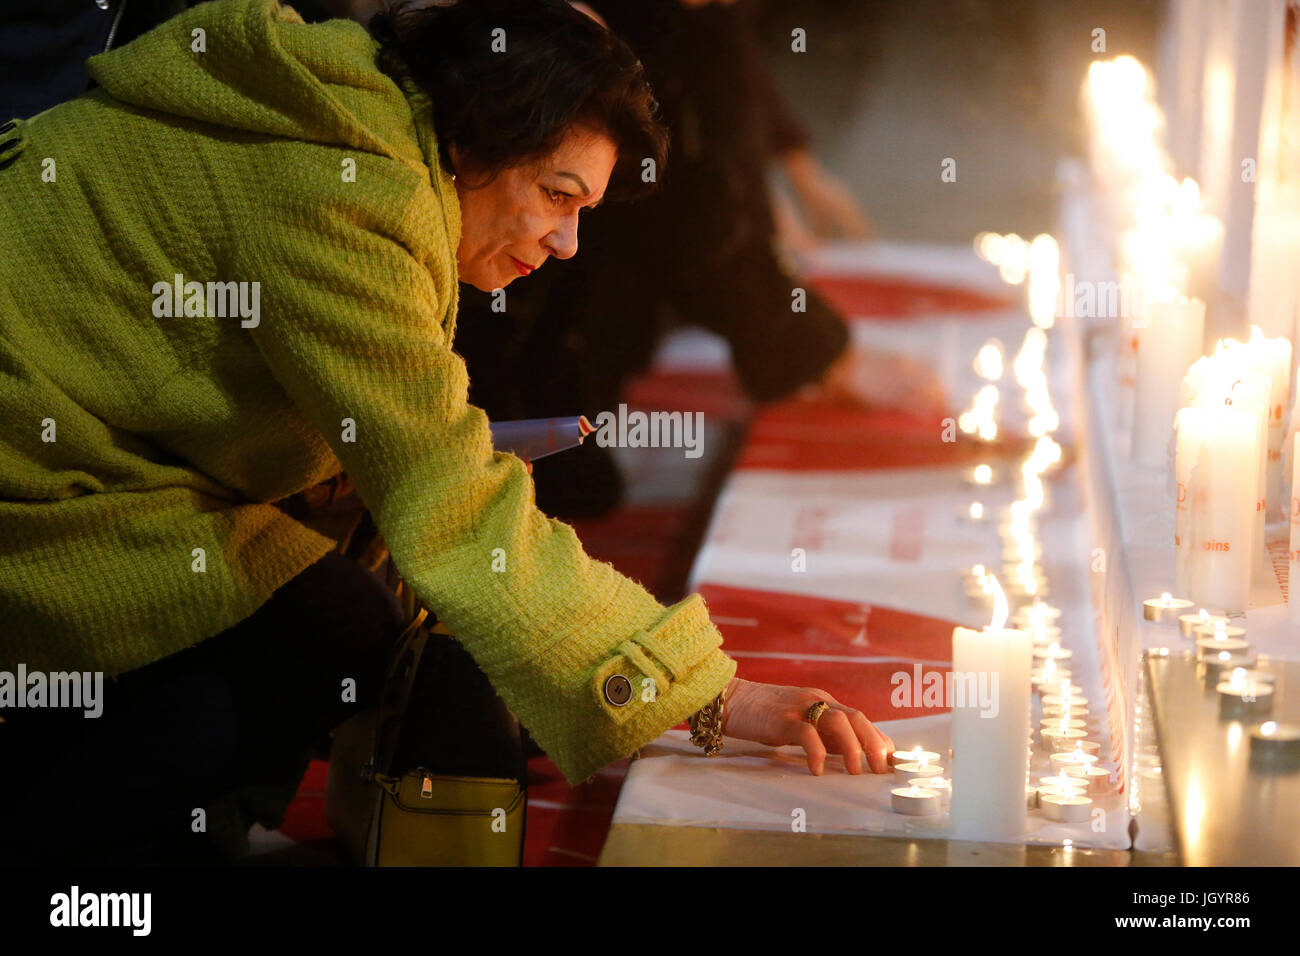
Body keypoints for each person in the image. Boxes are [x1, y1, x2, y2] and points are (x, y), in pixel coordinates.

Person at [0, 0, 894, 862]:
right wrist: (710, 693)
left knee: (346, 572)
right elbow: (455, 504)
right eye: (556, 194)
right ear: (477, 139)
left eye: (585, 211)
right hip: (31, 480)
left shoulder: (358, 135)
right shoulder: (346, 188)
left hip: (59, 448)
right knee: (332, 619)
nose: (566, 242)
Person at [454, 0, 946, 519]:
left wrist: (784, 162)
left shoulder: (695, 30)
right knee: (548, 488)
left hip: (544, 335)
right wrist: (815, 349)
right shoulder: (402, 246)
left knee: (565, 478)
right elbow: (688, 209)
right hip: (506, 349)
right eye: (559, 195)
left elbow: (714, 85)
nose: (567, 240)